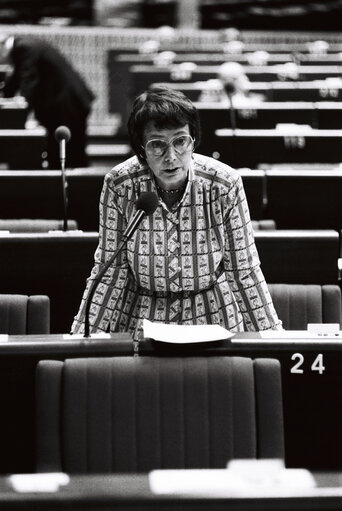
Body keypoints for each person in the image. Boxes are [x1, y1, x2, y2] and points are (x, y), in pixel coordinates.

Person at [71, 86, 282, 340]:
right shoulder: (120, 185)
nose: (171, 157)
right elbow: (111, 272)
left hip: (214, 318)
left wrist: (273, 341)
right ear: (141, 148)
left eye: (180, 141)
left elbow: (244, 272)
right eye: (157, 144)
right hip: (143, 319)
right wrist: (81, 339)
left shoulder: (224, 184)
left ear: (193, 140)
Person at [0, 33, 95, 169]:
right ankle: (59, 186)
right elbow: (16, 79)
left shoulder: (24, 47)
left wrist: (22, 113)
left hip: (68, 104)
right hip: (62, 104)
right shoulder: (22, 46)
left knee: (73, 153)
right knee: (58, 152)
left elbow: (29, 80)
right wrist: (5, 97)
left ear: (2, 46)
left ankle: (78, 188)